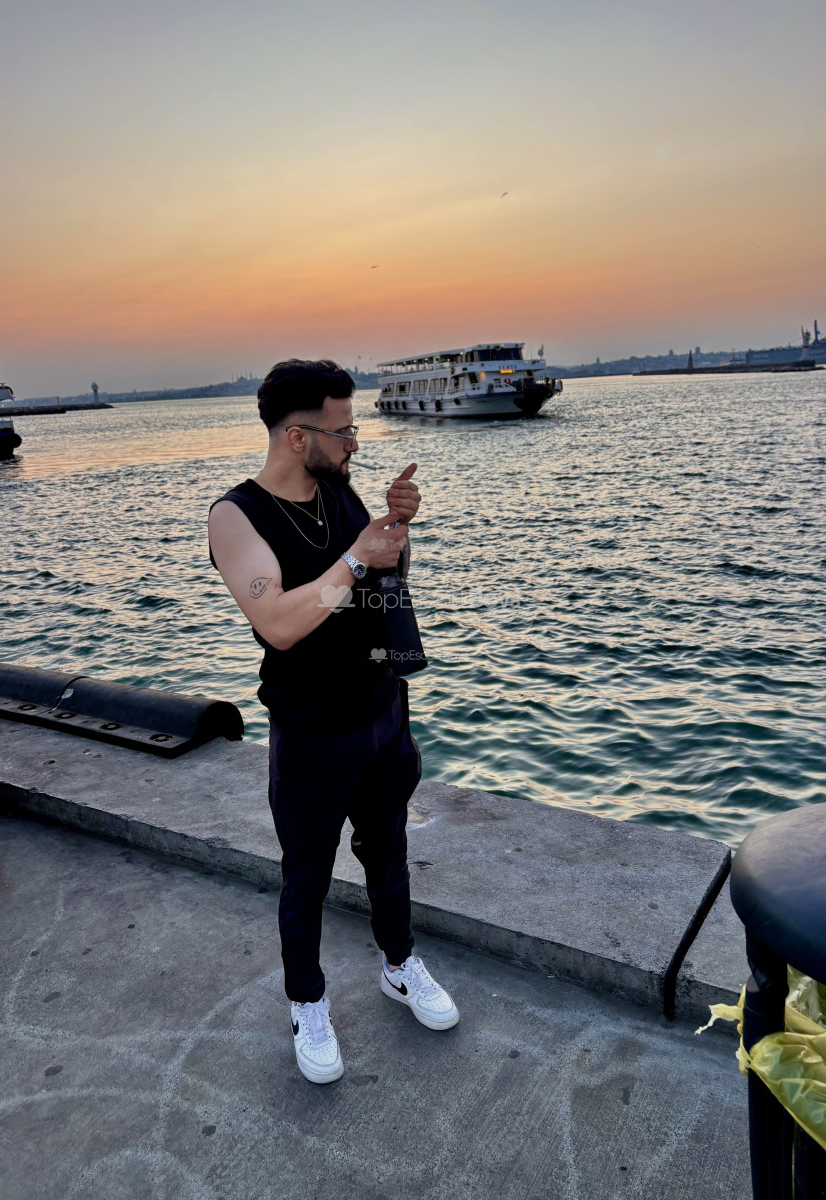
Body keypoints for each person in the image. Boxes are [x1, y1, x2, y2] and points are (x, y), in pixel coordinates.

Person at [208, 359, 458, 1085]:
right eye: (343, 431)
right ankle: (307, 1002)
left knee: (388, 852)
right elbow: (279, 623)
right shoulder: (235, 516)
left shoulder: (340, 492)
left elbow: (382, 582)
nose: (354, 443)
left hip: (382, 713)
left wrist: (395, 530)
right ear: (297, 436)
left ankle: (400, 965)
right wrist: (357, 554)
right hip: (312, 730)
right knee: (307, 877)